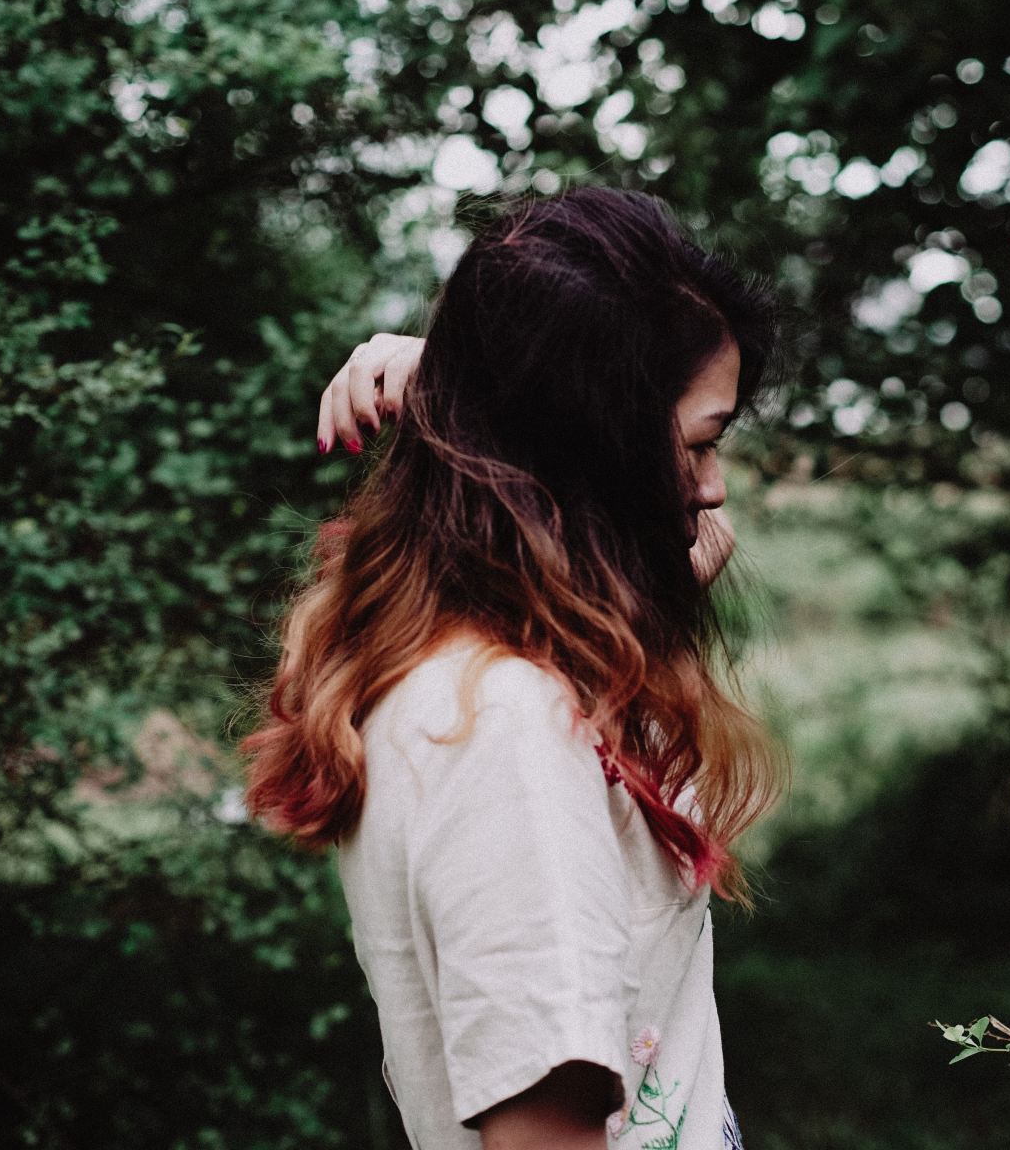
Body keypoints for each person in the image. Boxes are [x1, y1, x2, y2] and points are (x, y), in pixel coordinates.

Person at [238, 187, 785, 1150]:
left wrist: (464, 386)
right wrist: (488, 401)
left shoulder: (550, 645)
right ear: (591, 452)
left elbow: (705, 536)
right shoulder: (503, 730)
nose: (713, 488)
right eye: (700, 444)